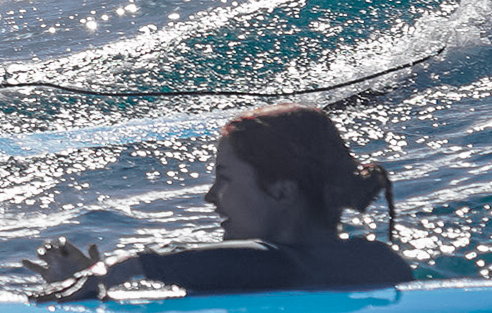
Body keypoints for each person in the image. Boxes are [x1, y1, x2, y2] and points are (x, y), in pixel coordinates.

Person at [26, 105, 408, 300]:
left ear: (281, 189)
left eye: (224, 179)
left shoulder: (364, 261)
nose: (210, 196)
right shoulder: (375, 261)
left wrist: (128, 266)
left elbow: (272, 262)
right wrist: (87, 291)